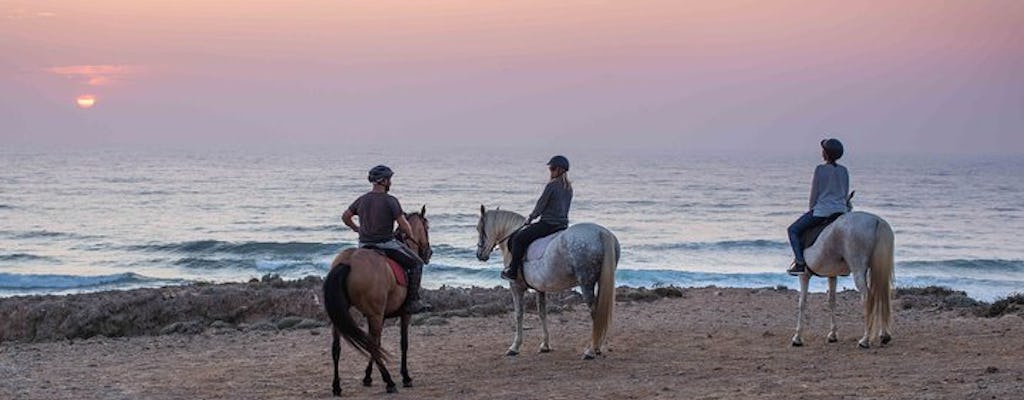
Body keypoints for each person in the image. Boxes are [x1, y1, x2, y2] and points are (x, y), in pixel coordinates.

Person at [342, 165, 431, 313]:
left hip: (364, 245)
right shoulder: (390, 201)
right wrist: (410, 235)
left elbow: (345, 217)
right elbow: (404, 224)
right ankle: (413, 301)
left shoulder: (362, 200)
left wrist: (357, 229)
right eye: (389, 179)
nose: (391, 182)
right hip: (386, 244)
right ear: (383, 181)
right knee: (416, 263)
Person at [501, 155, 574, 280]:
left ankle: (513, 271)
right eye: (550, 168)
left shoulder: (552, 185)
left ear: (560, 170)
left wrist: (530, 218)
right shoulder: (569, 188)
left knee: (518, 239)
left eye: (552, 168)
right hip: (562, 225)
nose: (550, 171)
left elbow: (541, 205)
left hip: (548, 225)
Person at [786, 139, 850, 275]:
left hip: (822, 211)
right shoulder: (844, 170)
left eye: (823, 151)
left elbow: (814, 192)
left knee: (793, 230)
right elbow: (845, 193)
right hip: (841, 211)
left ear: (826, 154)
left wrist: (811, 209)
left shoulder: (820, 169)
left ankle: (800, 263)